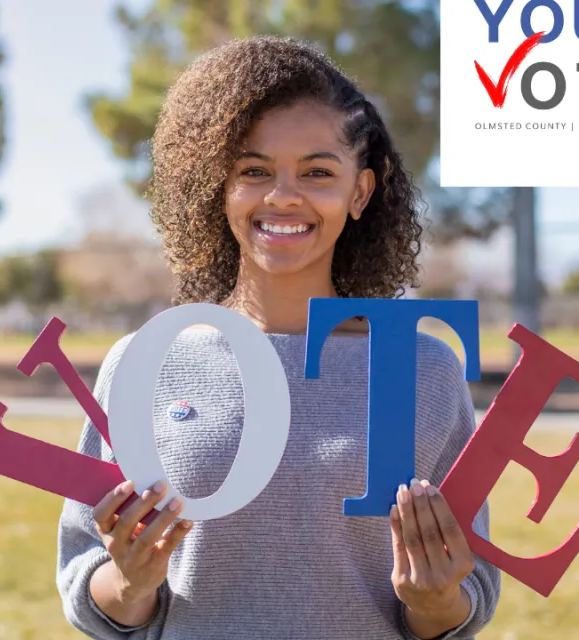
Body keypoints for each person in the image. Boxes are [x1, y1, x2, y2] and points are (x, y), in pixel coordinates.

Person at [56, 35, 501, 640]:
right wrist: (131, 582)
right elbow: (89, 587)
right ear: (219, 187)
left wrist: (434, 599)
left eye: (318, 171)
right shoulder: (144, 363)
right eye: (253, 171)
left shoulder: (424, 369)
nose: (282, 195)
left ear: (361, 191)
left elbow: (467, 602)